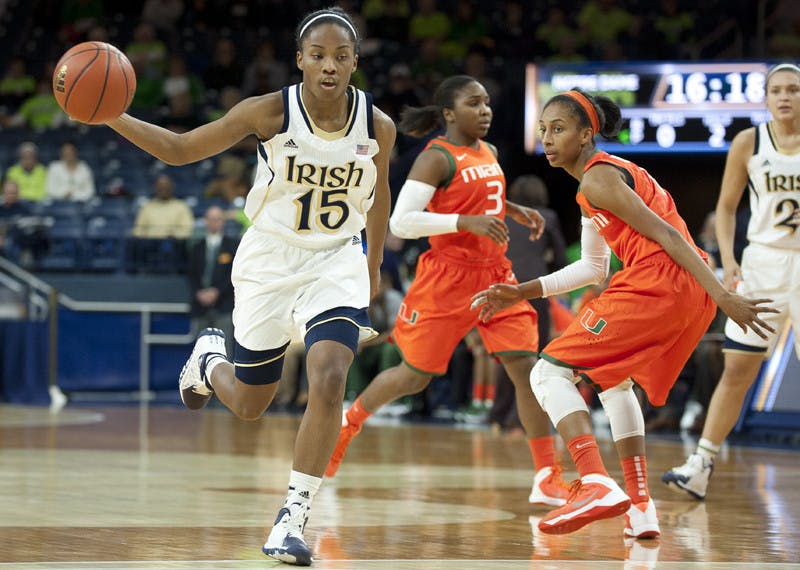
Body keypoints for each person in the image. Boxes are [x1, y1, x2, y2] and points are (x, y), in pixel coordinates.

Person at [101, 8, 394, 566]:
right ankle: (210, 361)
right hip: (268, 261)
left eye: (340, 56)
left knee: (330, 376)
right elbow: (182, 150)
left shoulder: (378, 126)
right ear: (300, 60)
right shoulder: (268, 111)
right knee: (251, 405)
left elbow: (378, 194)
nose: (328, 66)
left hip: (336, 261)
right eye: (318, 55)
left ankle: (293, 517)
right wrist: (114, 115)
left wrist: (372, 265)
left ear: (355, 62)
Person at [471, 87, 776, 537]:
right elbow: (593, 268)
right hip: (685, 291)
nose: (548, 138)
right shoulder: (597, 183)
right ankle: (640, 508)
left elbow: (672, 239)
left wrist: (726, 297)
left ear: (586, 133)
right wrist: (521, 292)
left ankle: (593, 481)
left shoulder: (600, 179)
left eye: (558, 129)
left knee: (546, 373)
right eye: (543, 130)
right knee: (614, 382)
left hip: (662, 281)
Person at [324, 75, 571, 509]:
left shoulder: (489, 152)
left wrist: (514, 209)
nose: (486, 110)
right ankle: (349, 421)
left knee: (527, 368)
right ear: (449, 114)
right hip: (447, 280)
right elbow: (403, 222)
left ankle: (547, 474)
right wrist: (464, 223)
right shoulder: (435, 158)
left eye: (488, 102)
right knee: (414, 376)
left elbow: (480, 199)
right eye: (474, 103)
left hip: (495, 275)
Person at [663, 63, 800, 500]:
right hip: (763, 263)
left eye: (793, 90)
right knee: (738, 365)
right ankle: (701, 463)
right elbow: (725, 207)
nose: (784, 97)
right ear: (766, 98)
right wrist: (728, 257)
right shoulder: (749, 141)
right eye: (776, 90)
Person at [187, 205, 238, 357]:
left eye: (218, 219)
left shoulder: (233, 246)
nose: (214, 222)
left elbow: (233, 275)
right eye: (211, 219)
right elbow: (191, 275)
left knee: (224, 351)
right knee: (200, 353)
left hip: (224, 306)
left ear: (223, 221)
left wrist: (217, 291)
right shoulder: (197, 247)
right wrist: (199, 293)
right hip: (200, 307)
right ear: (206, 221)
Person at [131, 174, 194, 239]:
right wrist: (152, 234)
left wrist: (172, 234)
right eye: (160, 186)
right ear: (155, 188)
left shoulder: (181, 206)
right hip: (150, 244)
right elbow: (137, 231)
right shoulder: (147, 206)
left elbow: (188, 230)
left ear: (172, 187)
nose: (163, 189)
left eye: (166, 186)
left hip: (174, 244)